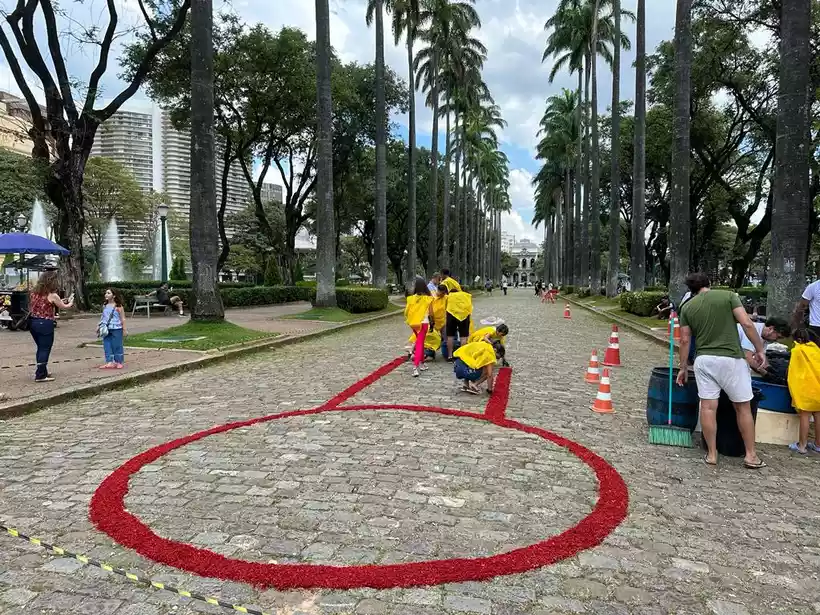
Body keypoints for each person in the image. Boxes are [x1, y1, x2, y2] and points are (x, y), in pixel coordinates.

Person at [676, 272, 768, 469]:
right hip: (731, 359)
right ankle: (751, 455)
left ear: (691, 289)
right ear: (709, 283)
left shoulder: (687, 307)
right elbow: (746, 323)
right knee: (742, 407)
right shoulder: (728, 296)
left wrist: (683, 367)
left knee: (708, 407)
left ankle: (711, 454)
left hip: (704, 360)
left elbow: (684, 340)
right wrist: (759, 349)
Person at [28, 271, 74, 382]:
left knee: (40, 348)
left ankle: (42, 370)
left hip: (33, 322)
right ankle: (40, 375)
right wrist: (70, 302)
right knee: (45, 348)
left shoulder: (34, 293)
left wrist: (59, 301)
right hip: (45, 324)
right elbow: (65, 307)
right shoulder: (53, 295)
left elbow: (42, 305)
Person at [787, 328, 820, 454]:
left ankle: (802, 446)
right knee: (818, 414)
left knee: (805, 416)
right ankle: (818, 445)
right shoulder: (817, 350)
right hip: (818, 388)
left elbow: (793, 370)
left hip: (806, 388)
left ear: (798, 339)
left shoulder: (798, 350)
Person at [404, 276, 435, 377]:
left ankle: (421, 363)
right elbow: (431, 313)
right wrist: (433, 323)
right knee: (420, 344)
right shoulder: (428, 299)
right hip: (423, 324)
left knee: (419, 342)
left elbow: (406, 312)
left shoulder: (410, 298)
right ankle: (415, 367)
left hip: (413, 324)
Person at [98, 288, 127, 369]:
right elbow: (103, 316)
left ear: (114, 295)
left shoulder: (119, 306)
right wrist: (98, 325)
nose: (106, 294)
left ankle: (118, 361)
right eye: (106, 293)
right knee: (107, 345)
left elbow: (123, 318)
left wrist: (124, 329)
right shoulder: (105, 305)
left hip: (117, 328)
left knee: (117, 345)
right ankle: (109, 361)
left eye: (108, 293)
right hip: (106, 328)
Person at [444, 288, 472, 361]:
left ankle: (450, 356)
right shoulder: (466, 296)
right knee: (463, 337)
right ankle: (461, 356)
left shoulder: (449, 296)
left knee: (450, 336)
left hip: (451, 315)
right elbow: (469, 308)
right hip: (464, 316)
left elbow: (445, 307)